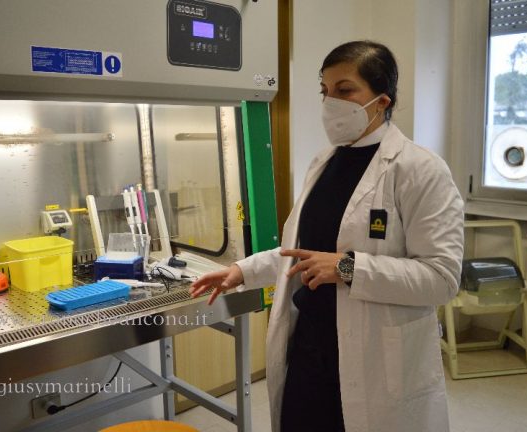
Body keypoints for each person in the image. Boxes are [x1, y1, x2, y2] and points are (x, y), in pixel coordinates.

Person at [190, 40, 464, 432]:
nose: (330, 102)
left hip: (376, 358)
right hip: (311, 345)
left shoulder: (420, 170)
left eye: (345, 90)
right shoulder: (324, 162)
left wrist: (349, 268)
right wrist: (243, 270)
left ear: (383, 101)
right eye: (325, 90)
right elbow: (304, 252)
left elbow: (441, 278)